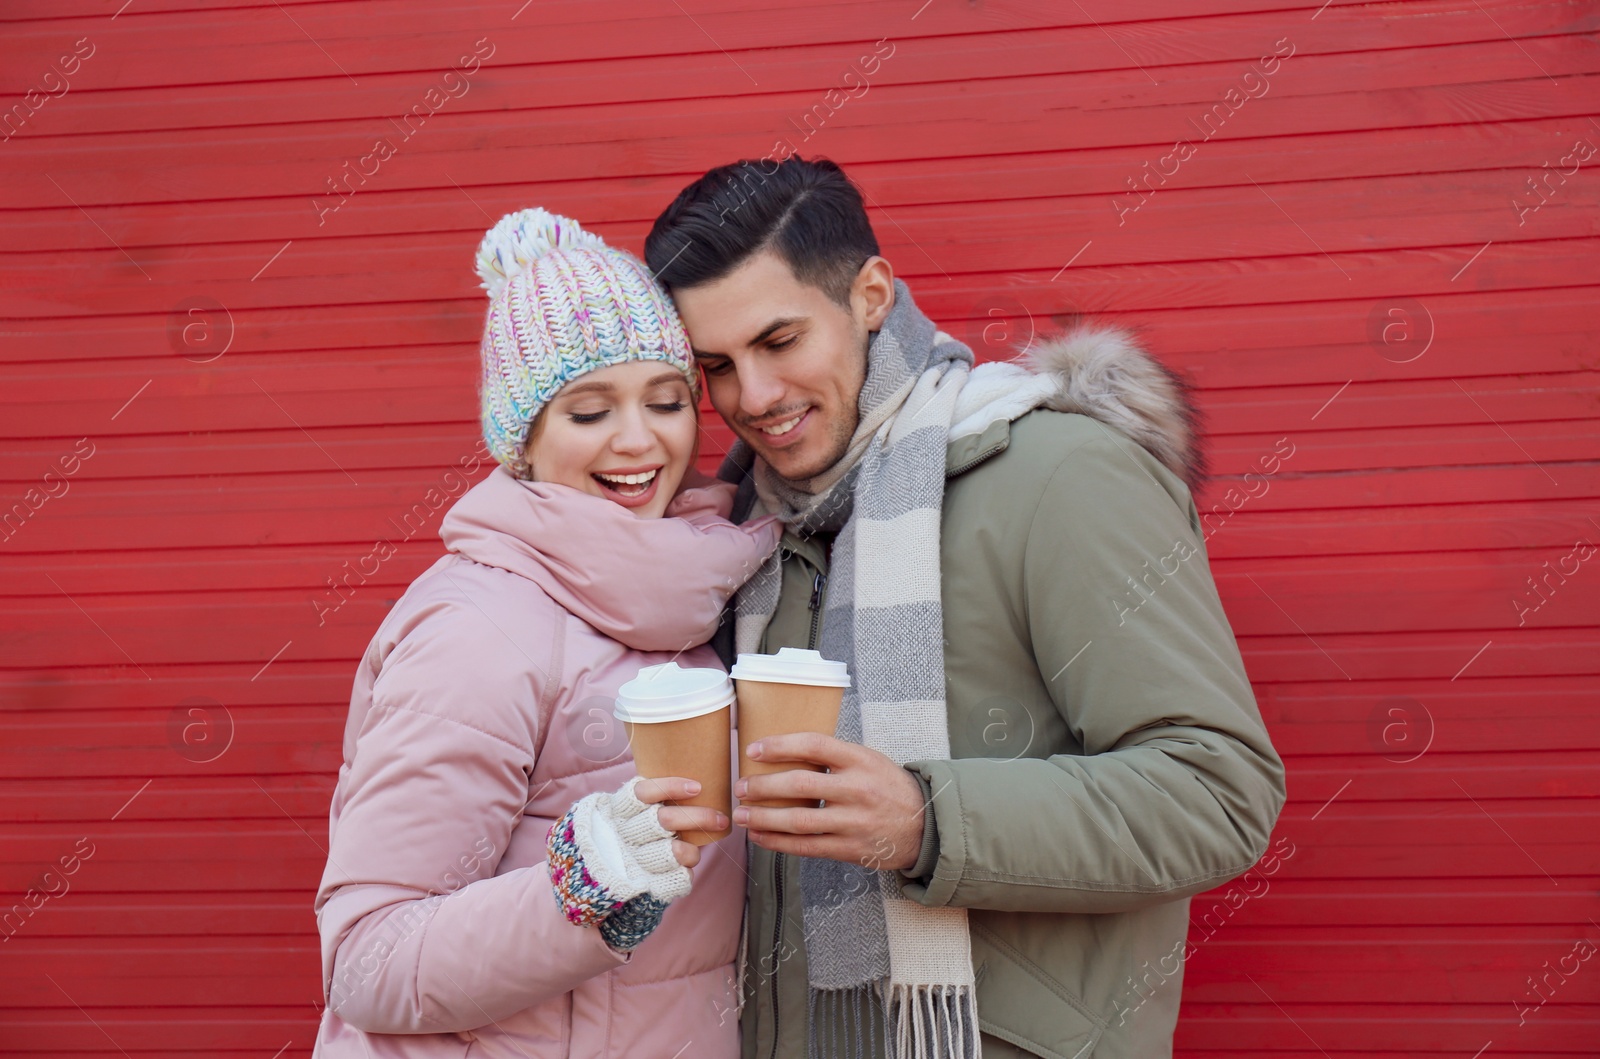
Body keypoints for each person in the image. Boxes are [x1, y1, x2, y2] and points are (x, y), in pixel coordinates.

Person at [643, 157, 1287, 1059]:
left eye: (781, 341)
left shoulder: (1063, 476)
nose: (752, 398)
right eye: (717, 364)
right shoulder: (742, 529)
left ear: (871, 295)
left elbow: (1220, 792)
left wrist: (926, 817)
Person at [311, 209, 781, 1058]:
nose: (639, 439)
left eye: (666, 399)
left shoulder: (687, 596)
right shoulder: (479, 629)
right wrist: (583, 884)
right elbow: (367, 960)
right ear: (521, 444)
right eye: (589, 411)